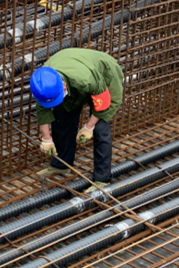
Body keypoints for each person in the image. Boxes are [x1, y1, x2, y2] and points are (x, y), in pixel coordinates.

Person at [30, 49, 124, 188]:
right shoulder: (43, 82)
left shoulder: (85, 79)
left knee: (100, 129)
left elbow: (102, 102)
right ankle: (62, 164)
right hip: (75, 73)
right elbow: (43, 109)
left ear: (63, 86)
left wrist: (88, 127)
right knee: (61, 116)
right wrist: (46, 138)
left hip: (105, 76)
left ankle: (102, 178)